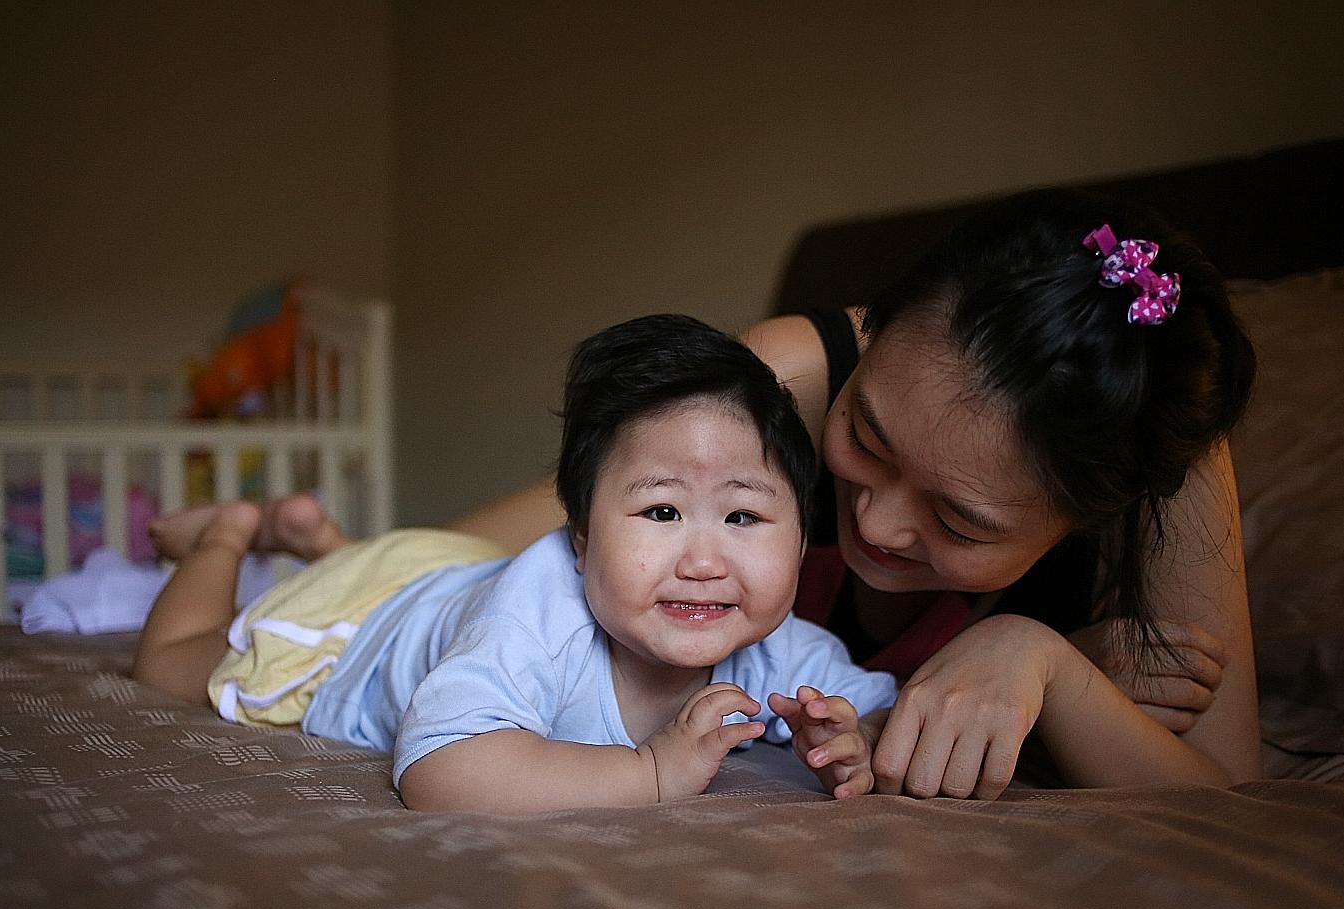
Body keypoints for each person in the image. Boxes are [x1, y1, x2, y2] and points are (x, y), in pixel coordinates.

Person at [445, 188, 1263, 798]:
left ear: (1094, 518)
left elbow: (1225, 791)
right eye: (866, 440)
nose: (874, 519)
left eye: (958, 519)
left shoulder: (1164, 461)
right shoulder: (793, 376)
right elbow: (573, 520)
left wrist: (1043, 662)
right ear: (872, 340)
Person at [131, 314, 899, 812]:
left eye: (744, 516)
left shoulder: (773, 646)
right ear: (582, 539)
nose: (704, 560)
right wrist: (651, 774)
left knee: (422, 578)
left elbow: (876, 706)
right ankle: (226, 536)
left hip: (455, 573)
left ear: (800, 545)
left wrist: (851, 736)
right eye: (661, 512)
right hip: (369, 619)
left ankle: (319, 540)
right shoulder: (537, 626)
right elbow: (442, 771)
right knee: (173, 665)